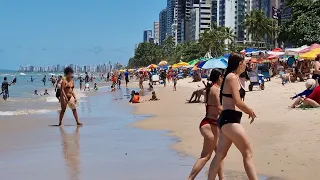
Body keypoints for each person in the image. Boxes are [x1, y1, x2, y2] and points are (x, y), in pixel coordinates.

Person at [207, 53, 257, 180]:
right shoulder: (232, 77)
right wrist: (250, 111)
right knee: (247, 153)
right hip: (230, 120)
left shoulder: (232, 77)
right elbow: (238, 102)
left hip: (227, 120)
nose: (246, 64)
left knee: (220, 154)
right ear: (240, 64)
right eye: (245, 62)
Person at [188, 69, 224, 180]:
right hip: (210, 125)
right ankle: (189, 178)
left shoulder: (209, 89)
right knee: (205, 156)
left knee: (219, 154)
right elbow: (219, 109)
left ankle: (222, 178)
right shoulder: (215, 89)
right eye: (222, 77)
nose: (223, 79)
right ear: (219, 77)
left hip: (208, 123)